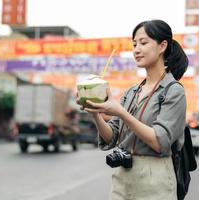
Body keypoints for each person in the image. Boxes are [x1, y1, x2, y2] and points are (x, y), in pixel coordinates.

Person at [77, 19, 188, 200]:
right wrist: (95, 114)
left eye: (143, 43)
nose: (136, 49)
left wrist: (121, 112)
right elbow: (112, 137)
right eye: (134, 44)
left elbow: (160, 141)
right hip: (123, 176)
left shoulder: (173, 91)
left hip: (155, 177)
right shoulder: (131, 92)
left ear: (162, 46)